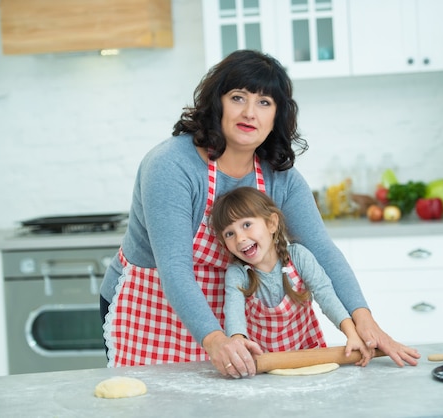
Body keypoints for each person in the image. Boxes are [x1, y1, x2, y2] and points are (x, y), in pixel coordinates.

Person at [100, 49, 420, 379]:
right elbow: (175, 268)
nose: (250, 112)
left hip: (231, 313)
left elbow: (323, 252)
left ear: (276, 116)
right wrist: (214, 339)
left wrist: (363, 319)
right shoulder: (172, 166)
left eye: (264, 102)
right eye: (238, 97)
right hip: (154, 309)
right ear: (217, 103)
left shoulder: (280, 177)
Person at [210, 187, 372, 366]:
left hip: (308, 355)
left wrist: (352, 335)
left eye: (246, 225)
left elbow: (326, 295)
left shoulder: (299, 257)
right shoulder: (237, 274)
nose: (240, 238)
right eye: (229, 234)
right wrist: (238, 342)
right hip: (262, 363)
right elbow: (234, 314)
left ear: (271, 223)